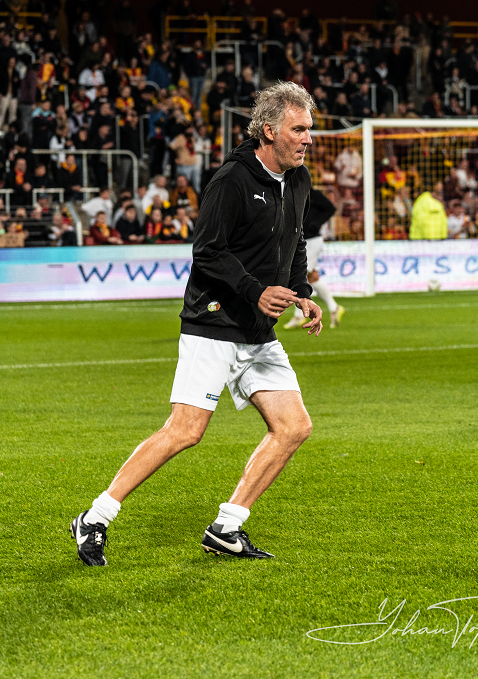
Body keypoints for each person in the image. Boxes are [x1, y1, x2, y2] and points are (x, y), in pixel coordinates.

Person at [70, 81, 322, 566]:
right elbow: (207, 252)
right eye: (299, 129)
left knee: (293, 426)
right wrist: (255, 290)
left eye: (309, 129)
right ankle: (96, 516)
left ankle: (227, 527)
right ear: (269, 130)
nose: (307, 138)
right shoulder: (232, 180)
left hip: (256, 331)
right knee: (185, 430)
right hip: (214, 323)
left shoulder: (299, 179)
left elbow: (295, 241)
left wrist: (302, 293)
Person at [284, 187, 344, 330]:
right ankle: (334, 307)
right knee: (312, 277)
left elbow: (330, 208)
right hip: (300, 240)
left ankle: (299, 315)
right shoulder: (289, 192)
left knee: (300, 275)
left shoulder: (311, 193)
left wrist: (315, 223)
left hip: (311, 240)